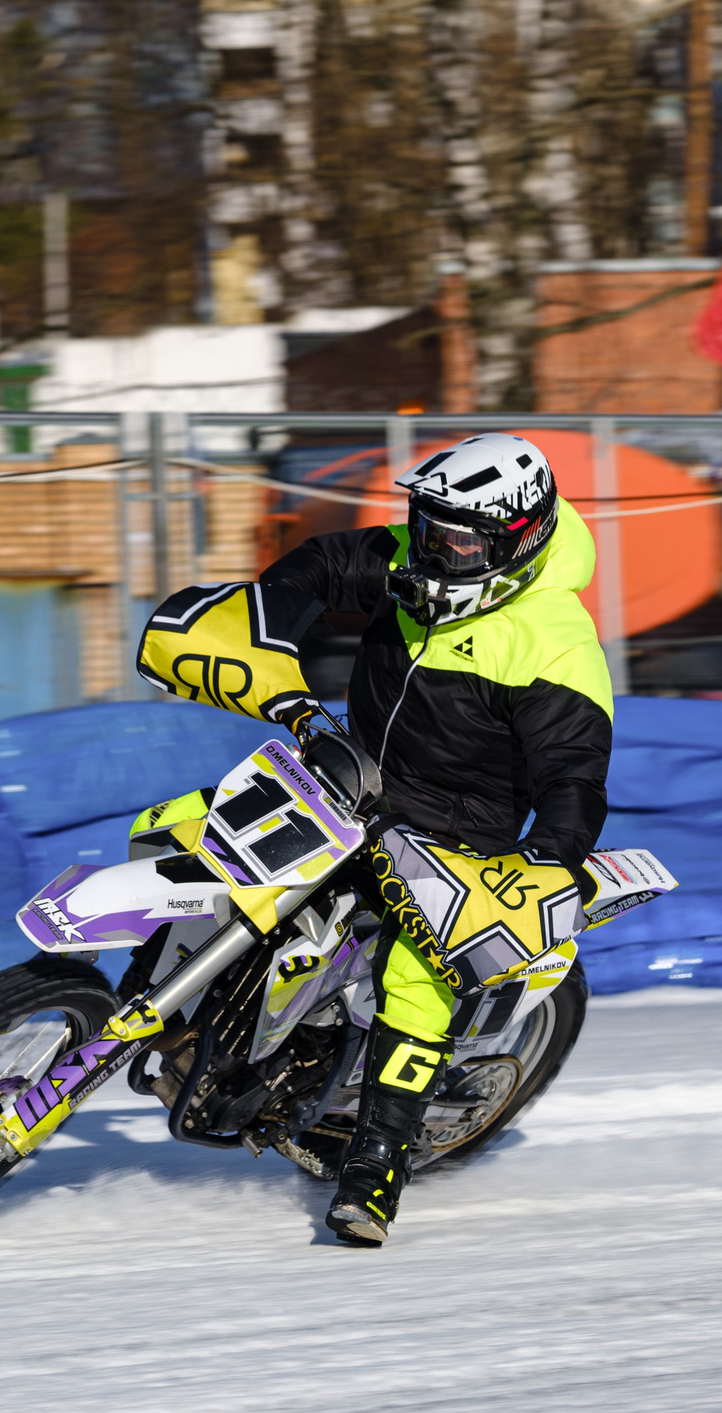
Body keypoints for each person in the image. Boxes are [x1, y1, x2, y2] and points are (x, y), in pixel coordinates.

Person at [138, 432, 612, 1246]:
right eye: (428, 525)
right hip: (349, 778)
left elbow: (574, 778)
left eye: (458, 538)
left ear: (517, 541)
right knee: (189, 835)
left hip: (455, 840)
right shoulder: (412, 561)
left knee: (416, 976)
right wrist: (270, 625)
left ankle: (376, 1164)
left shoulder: (557, 645)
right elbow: (321, 564)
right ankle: (155, 1010)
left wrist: (545, 859)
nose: (433, 547)